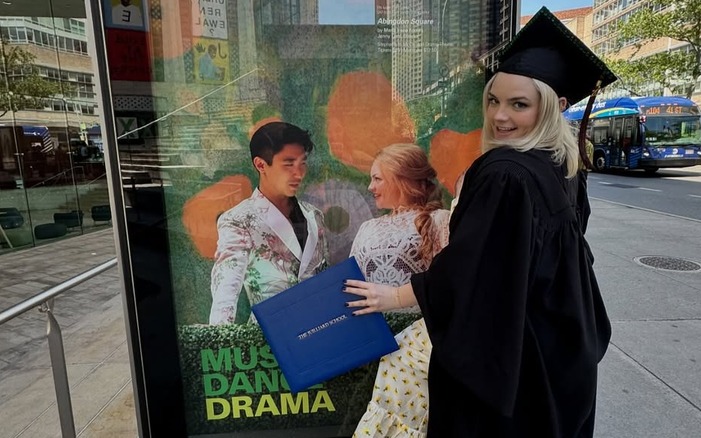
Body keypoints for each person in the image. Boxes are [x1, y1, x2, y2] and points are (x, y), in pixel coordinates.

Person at [344, 7, 613, 437]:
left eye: (519, 104)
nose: (500, 116)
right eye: (493, 100)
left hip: (521, 358)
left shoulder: (506, 171)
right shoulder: (563, 164)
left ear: (553, 106)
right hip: (562, 349)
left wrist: (393, 296)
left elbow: (472, 266)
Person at [349, 144, 450, 437]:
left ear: (401, 177)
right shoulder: (367, 227)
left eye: (377, 178)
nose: (370, 186)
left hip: (417, 346)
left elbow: (448, 283)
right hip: (370, 340)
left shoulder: (440, 220)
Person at [209, 122, 328, 324]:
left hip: (319, 329)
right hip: (267, 338)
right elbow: (226, 286)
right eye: (289, 164)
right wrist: (220, 339)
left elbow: (324, 278)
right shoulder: (238, 220)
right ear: (261, 165)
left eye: (303, 163)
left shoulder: (313, 215)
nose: (299, 173)